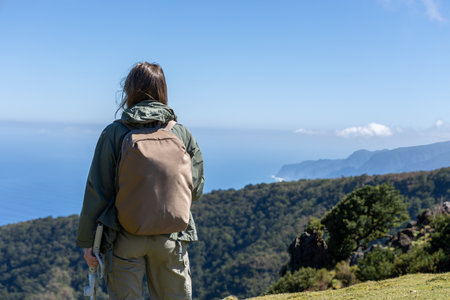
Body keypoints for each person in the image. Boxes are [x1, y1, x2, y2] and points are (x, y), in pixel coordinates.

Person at [76, 62, 205, 300]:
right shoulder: (180, 134)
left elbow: (98, 191)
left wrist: (88, 243)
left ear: (129, 90)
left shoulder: (114, 133)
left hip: (125, 237)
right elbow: (195, 189)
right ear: (163, 90)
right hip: (171, 237)